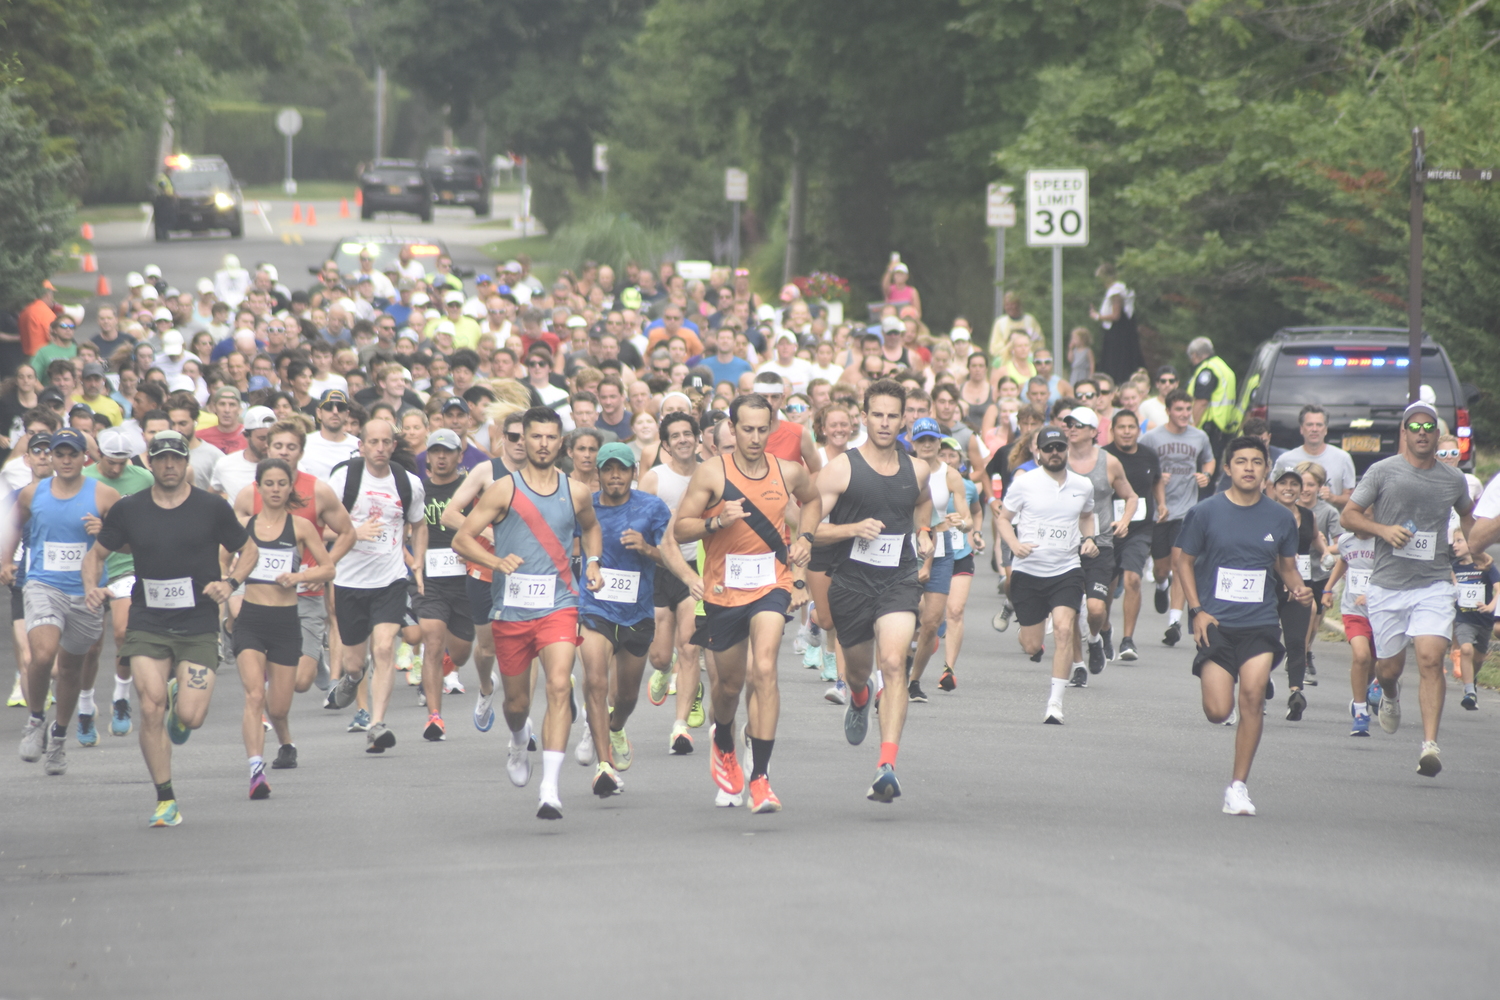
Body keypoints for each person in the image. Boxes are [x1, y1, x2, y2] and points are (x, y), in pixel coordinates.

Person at [82, 430, 253, 827]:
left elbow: (251, 550)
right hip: (149, 620)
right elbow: (97, 554)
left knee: (190, 717)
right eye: (161, 459)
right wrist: (92, 587)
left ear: (185, 462)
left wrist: (230, 583)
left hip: (196, 621)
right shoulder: (130, 509)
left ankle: (182, 700)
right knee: (150, 706)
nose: (170, 465)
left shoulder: (211, 508)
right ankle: (165, 799)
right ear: (151, 463)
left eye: (176, 458)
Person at [452, 406, 604, 820]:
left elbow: (590, 526)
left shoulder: (576, 491)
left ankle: (550, 789)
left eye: (550, 437)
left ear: (561, 442)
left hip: (560, 603)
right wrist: (496, 562)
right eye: (534, 437)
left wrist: (593, 562)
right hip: (512, 608)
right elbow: (461, 538)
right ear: (523, 440)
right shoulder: (504, 489)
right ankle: (520, 740)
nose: (541, 444)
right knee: (517, 703)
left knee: (558, 685)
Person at [673, 393, 821, 812]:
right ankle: (723, 737)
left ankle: (761, 778)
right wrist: (717, 521)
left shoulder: (788, 471)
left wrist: (806, 537)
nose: (755, 438)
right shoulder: (710, 474)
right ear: (731, 429)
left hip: (771, 582)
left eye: (762, 429)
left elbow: (813, 501)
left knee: (766, 667)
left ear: (771, 428)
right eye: (746, 429)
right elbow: (681, 530)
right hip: (723, 590)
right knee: (729, 687)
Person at [1174, 435, 1309, 816]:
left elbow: (1287, 567)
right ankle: (1237, 686)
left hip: (1260, 622)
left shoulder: (1281, 517)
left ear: (1267, 469)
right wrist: (1197, 610)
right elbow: (1184, 561)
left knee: (1251, 697)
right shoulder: (1207, 512)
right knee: (1218, 710)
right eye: (1241, 461)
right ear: (1229, 468)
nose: (1249, 468)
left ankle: (1238, 787)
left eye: (1256, 461)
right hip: (1216, 623)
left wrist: (1300, 590)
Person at [811, 379, 933, 800]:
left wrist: (924, 532)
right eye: (877, 414)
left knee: (895, 662)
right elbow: (809, 529)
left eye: (892, 416)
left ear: (904, 420)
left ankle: (887, 766)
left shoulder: (917, 468)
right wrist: (852, 529)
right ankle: (860, 697)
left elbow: (922, 503)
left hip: (898, 579)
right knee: (860, 671)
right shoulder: (842, 468)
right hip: (850, 584)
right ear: (865, 416)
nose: (884, 423)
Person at [1340, 401, 1473, 778]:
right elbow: (1349, 516)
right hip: (1388, 585)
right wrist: (1383, 530)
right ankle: (1390, 695)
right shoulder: (1383, 471)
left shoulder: (1452, 479)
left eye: (1428, 427)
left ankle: (1429, 745)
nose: (1422, 433)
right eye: (1414, 427)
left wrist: (1475, 545)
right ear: (1404, 432)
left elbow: (1469, 516)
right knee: (1389, 668)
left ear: (1436, 432)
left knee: (1431, 659)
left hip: (1433, 583)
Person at [4, 430, 119, 775]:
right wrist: (6, 560)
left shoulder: (104, 494)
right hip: (42, 583)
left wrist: (106, 532)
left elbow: (128, 542)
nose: (66, 460)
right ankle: (36, 719)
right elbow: (12, 526)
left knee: (71, 668)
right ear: (51, 458)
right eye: (60, 454)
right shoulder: (32, 493)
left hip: (86, 591)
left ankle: (58, 738)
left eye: (73, 454)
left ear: (84, 457)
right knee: (41, 654)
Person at [231, 458, 336, 797]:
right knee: (254, 695)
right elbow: (220, 561)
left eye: (281, 483)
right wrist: (228, 592)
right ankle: (256, 771)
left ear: (290, 487)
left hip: (285, 622)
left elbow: (329, 568)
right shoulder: (243, 527)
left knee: (278, 707)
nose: (275, 489)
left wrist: (299, 576)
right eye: (269, 483)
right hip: (250, 620)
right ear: (258, 487)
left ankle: (286, 742)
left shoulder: (301, 527)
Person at [576, 442, 676, 796]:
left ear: (634, 472)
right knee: (596, 681)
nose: (614, 475)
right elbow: (566, 546)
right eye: (607, 469)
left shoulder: (651, 507)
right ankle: (604, 766)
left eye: (621, 468)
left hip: (637, 611)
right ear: (597, 473)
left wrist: (648, 549)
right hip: (595, 607)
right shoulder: (585, 507)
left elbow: (671, 556)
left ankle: (616, 726)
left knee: (627, 695)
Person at [323, 420, 428, 754]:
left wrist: (418, 561)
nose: (380, 447)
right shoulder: (343, 479)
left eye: (386, 442)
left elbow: (419, 523)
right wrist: (353, 532)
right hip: (349, 581)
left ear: (393, 446)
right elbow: (319, 529)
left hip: (390, 579)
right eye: (374, 442)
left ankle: (377, 724)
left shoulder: (407, 483)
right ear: (362, 446)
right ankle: (352, 679)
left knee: (383, 648)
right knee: (354, 662)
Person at [994, 427, 1098, 725]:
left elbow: (1087, 515)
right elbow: (1003, 518)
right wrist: (1014, 545)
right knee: (1031, 643)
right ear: (1038, 452)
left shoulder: (1083, 485)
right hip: (1028, 572)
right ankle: (1028, 633)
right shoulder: (1024, 483)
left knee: (1065, 630)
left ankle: (1055, 703)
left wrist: (1088, 539)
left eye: (1060, 447)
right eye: (1049, 448)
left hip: (1066, 569)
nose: (1055, 452)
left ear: (1067, 449)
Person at [638, 412, 709, 753]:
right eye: (675, 436)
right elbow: (637, 526)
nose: (682, 439)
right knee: (660, 656)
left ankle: (680, 727)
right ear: (665, 444)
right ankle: (665, 672)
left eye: (687, 434)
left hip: (695, 568)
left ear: (697, 438)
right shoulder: (654, 479)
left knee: (691, 647)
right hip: (658, 566)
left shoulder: (710, 475)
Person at [79, 427, 156, 739]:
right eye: (111, 461)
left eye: (123, 462)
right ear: (99, 454)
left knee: (125, 632)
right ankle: (85, 707)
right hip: (90, 565)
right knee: (92, 643)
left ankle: (121, 697)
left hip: (126, 564)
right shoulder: (83, 477)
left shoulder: (143, 479)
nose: (116, 468)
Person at [411, 429, 476, 743]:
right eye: (435, 451)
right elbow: (400, 529)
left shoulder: (469, 490)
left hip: (466, 581)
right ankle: (434, 717)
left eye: (447, 451)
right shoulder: (417, 490)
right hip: (431, 582)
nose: (441, 457)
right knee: (432, 641)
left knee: (461, 654)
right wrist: (414, 563)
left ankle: (446, 664)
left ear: (459, 456)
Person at [1064, 406, 1138, 677]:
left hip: (1102, 545)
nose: (1071, 428)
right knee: (1069, 609)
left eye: (1078, 424)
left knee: (1096, 610)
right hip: (1066, 545)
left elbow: (1131, 496)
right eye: (1068, 423)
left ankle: (1094, 638)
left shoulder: (1108, 462)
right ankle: (1077, 664)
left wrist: (1125, 521)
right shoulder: (1057, 458)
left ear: (1094, 432)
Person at [1142, 390, 1215, 646]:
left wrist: (1206, 475)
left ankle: (1174, 622)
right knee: (1162, 569)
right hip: (1160, 511)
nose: (1185, 414)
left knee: (1179, 563)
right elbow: (1143, 468)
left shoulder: (1200, 436)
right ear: (1168, 411)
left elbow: (1209, 460)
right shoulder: (1152, 438)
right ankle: (1161, 586)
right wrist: (1155, 477)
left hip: (1187, 511)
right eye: (1179, 409)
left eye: (1188, 409)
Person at [905, 418, 969, 703]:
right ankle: (898, 665)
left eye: (932, 440)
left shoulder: (950, 474)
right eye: (922, 440)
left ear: (939, 443)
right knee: (911, 613)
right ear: (913, 443)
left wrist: (962, 523)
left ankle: (913, 680)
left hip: (941, 547)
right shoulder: (902, 468)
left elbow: (965, 519)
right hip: (907, 546)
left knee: (931, 622)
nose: (927, 445)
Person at [1103, 409, 1163, 661]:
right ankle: (1104, 630)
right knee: (1107, 586)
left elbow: (1157, 480)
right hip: (1108, 529)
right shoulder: (1103, 457)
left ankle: (1128, 640)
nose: (1126, 431)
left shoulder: (1148, 456)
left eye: (1131, 427)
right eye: (1121, 427)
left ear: (1138, 431)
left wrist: (1162, 503)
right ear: (1113, 430)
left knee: (1133, 580)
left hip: (1139, 528)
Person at [1268, 464, 1324, 721]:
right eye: (1283, 484)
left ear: (1301, 489)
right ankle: (1260, 682)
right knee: (1265, 638)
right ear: (1273, 488)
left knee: (1296, 639)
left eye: (1294, 485)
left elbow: (1315, 538)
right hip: (1269, 586)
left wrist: (1326, 553)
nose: (1288, 489)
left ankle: (1296, 693)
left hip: (1299, 585)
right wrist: (1283, 583)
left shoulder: (1308, 516)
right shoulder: (1264, 514)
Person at [1325, 527, 1379, 734]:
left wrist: (1373, 593)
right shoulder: (1346, 541)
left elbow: (1393, 572)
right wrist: (1328, 588)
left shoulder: (1383, 541)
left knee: (1377, 665)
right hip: (1353, 610)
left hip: (1381, 611)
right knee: (1361, 655)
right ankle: (1360, 711)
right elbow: (1344, 561)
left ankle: (1371, 687)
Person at [1448, 532, 1496, 712]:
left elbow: (1498, 588)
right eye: (1454, 541)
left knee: (1478, 658)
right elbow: (1452, 588)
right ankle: (1469, 692)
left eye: (1459, 541)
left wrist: (1491, 606)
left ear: (1472, 544)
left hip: (1483, 620)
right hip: (1463, 619)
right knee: (1466, 649)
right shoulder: (1454, 568)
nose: (1454, 545)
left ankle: (1472, 680)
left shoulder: (1486, 565)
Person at [1275, 406, 1357, 509]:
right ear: (1301, 429)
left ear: (1326, 429)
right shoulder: (1285, 460)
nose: (1314, 429)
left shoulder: (1343, 458)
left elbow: (1351, 498)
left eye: (1319, 425)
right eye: (1309, 425)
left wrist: (1332, 498)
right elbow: (1271, 489)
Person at [1185, 337, 1239, 460]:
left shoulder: (1207, 370)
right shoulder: (1222, 366)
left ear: (1195, 355)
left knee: (1204, 464)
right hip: (1223, 425)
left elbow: (1202, 401)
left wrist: (1193, 425)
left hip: (1209, 425)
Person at [1090, 263, 1143, 383]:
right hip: (1119, 331)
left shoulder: (1116, 291)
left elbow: (1116, 315)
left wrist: (1098, 317)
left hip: (1118, 332)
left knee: (1117, 360)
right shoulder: (1115, 289)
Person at [209, 406, 276, 501]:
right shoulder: (225, 464)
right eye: (261, 438)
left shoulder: (288, 464)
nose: (266, 444)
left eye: (271, 438)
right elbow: (211, 495)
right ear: (246, 435)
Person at [301, 390, 362, 480]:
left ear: (347, 414)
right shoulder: (304, 443)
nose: (335, 411)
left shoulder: (358, 445)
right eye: (329, 406)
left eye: (340, 407)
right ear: (319, 413)